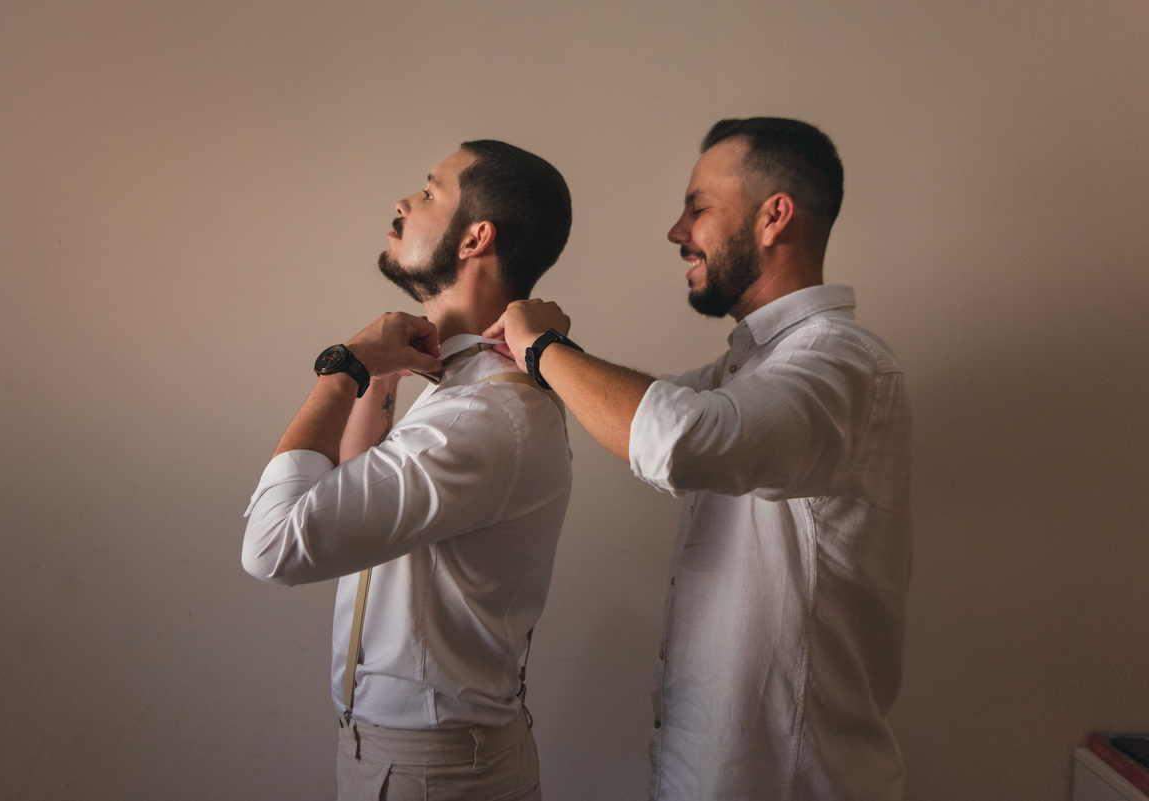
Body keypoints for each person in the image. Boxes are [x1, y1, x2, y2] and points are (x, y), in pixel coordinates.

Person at [484, 118, 912, 800]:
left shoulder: (840, 360)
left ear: (774, 216)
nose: (677, 231)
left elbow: (681, 438)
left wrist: (543, 348)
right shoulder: (753, 367)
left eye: (698, 207)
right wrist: (524, 359)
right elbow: (654, 406)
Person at [243, 139, 573, 801]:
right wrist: (380, 374)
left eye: (428, 192)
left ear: (476, 237)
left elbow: (272, 544)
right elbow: (352, 497)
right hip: (418, 759)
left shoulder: (483, 414)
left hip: (431, 771)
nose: (403, 202)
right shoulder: (465, 390)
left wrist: (344, 365)